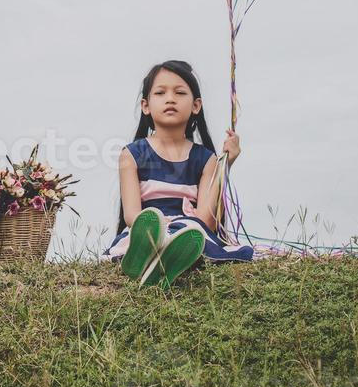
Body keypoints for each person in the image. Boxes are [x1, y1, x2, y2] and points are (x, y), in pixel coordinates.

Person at [102, 59, 254, 287]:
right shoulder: (131, 155)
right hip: (147, 229)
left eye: (180, 92)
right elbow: (132, 215)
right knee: (142, 236)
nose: (170, 98)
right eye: (160, 93)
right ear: (146, 106)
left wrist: (225, 165)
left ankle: (166, 259)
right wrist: (157, 228)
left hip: (186, 228)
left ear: (196, 105)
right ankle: (151, 255)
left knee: (191, 231)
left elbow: (206, 221)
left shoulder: (206, 159)